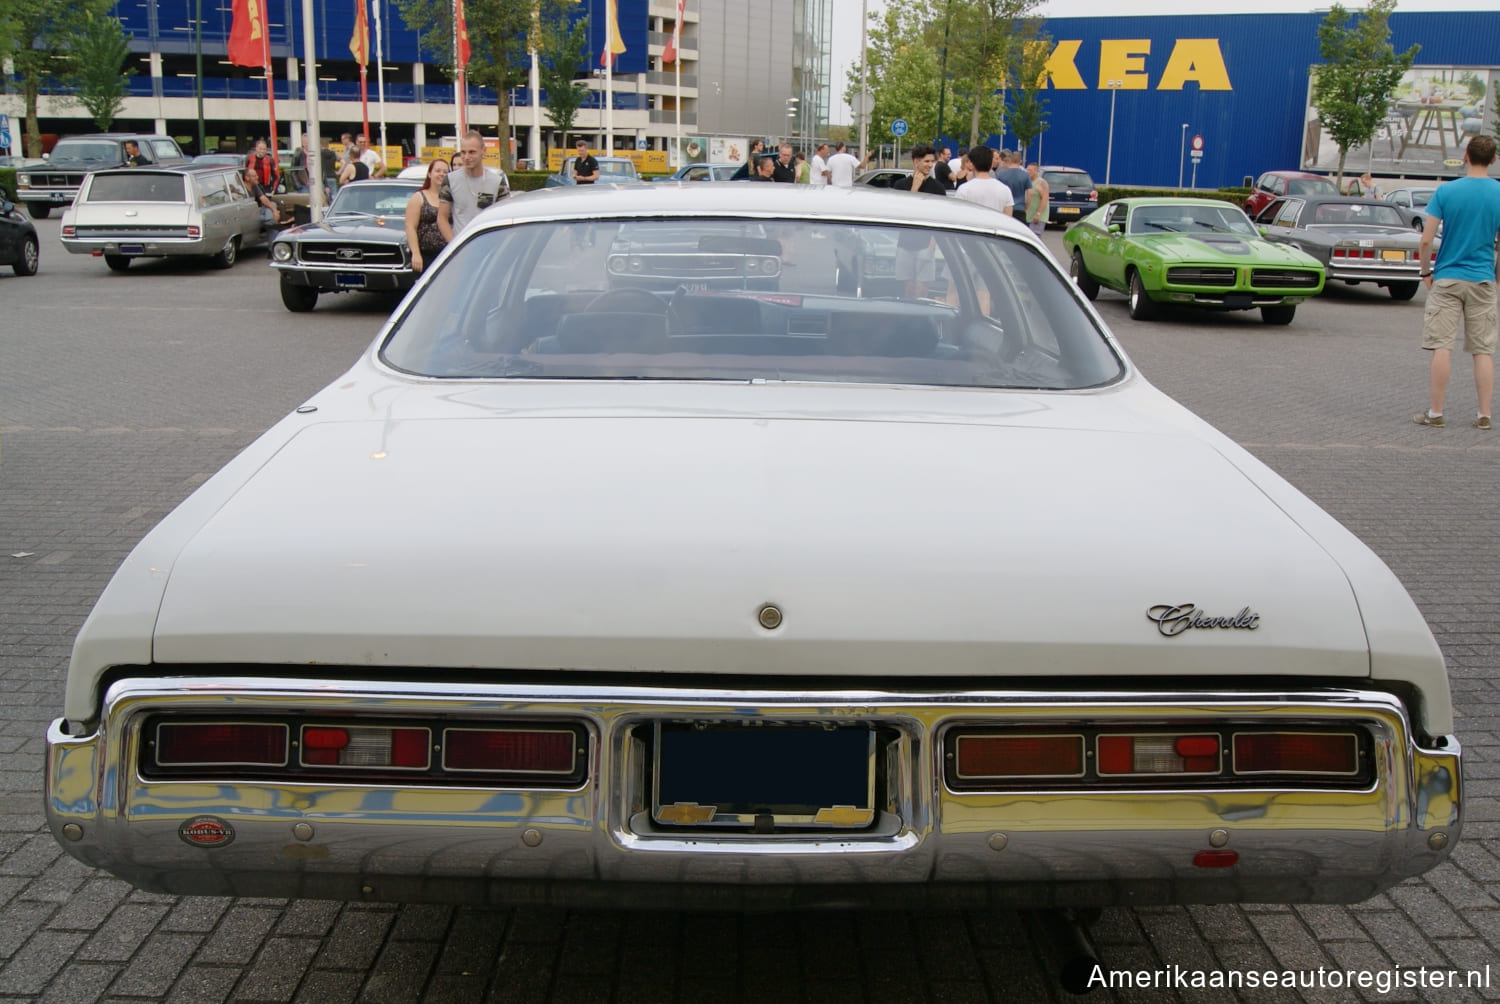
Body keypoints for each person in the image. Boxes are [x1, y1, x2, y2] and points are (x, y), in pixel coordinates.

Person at [1413, 134, 1500, 430]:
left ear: (1465, 155)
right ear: (1493, 159)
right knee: (1483, 350)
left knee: (1442, 346)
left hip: (1448, 277)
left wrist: (1426, 274)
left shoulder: (1446, 192)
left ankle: (1436, 413)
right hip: (1483, 279)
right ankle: (1484, 414)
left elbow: (1426, 241)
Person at [439, 129, 509, 240]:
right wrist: (454, 245)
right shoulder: (450, 180)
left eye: (472, 152)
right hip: (460, 245)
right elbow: (442, 218)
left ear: (483, 151)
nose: (466, 157)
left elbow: (505, 217)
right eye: (463, 152)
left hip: (488, 245)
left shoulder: (497, 182)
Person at [405, 158, 450, 275]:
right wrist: (416, 253)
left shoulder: (451, 199)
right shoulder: (418, 197)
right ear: (429, 174)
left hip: (446, 253)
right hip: (425, 255)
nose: (441, 174)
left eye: (445, 172)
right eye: (438, 171)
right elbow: (410, 227)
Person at [953, 145, 1013, 215]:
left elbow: (959, 215)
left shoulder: (964, 190)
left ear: (972, 164)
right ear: (991, 164)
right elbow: (1009, 219)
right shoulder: (1005, 190)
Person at [243, 167, 292, 231]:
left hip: (255, 211)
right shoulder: (241, 188)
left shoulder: (254, 185)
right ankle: (271, 223)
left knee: (272, 205)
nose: (257, 177)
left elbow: (263, 198)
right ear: (247, 178)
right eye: (254, 176)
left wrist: (274, 211)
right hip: (246, 215)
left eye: (257, 175)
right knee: (270, 222)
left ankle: (271, 222)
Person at [1025, 161, 1050, 235]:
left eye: (1030, 170)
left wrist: (1038, 214)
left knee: (1034, 237)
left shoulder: (1041, 182)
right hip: (1029, 216)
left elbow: (1045, 199)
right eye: (1027, 169)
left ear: (1036, 171)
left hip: (1037, 218)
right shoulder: (1028, 182)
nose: (1028, 172)